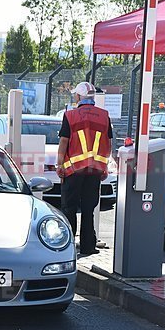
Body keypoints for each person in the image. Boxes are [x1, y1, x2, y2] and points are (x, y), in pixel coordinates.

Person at [56, 82, 113, 256]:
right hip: (94, 170)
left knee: (69, 208)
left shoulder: (70, 115)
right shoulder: (104, 116)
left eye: (76, 95)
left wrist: (60, 165)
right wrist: (104, 167)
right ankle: (88, 246)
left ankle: (68, 247)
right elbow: (108, 144)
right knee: (89, 209)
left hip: (73, 171)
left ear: (80, 97)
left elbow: (64, 141)